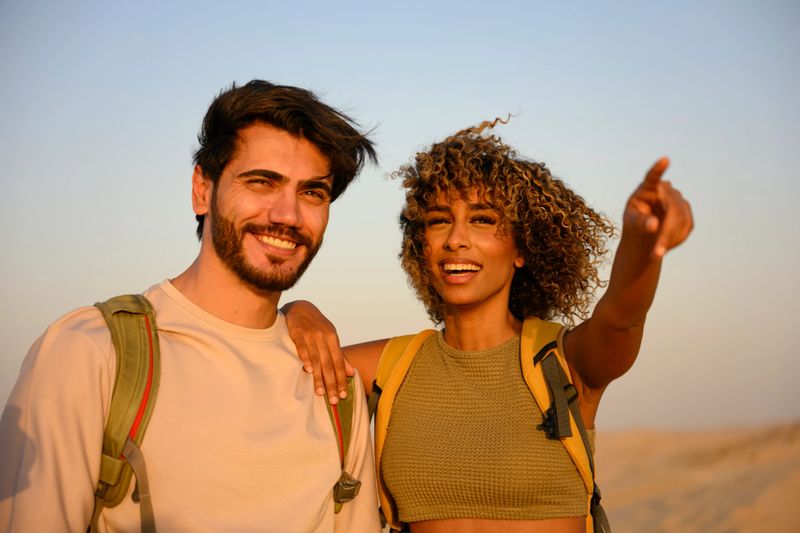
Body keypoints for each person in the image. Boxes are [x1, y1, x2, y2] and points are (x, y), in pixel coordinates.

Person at [0, 80, 382, 532]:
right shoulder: (91, 352)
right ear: (203, 188)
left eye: (312, 193)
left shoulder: (336, 392)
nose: (287, 215)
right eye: (262, 182)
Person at [284, 119, 694, 532]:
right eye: (439, 220)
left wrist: (643, 246)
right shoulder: (389, 366)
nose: (455, 239)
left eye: (481, 220)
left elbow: (622, 318)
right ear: (420, 245)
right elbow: (272, 366)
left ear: (521, 247)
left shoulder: (563, 360)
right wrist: (297, 310)